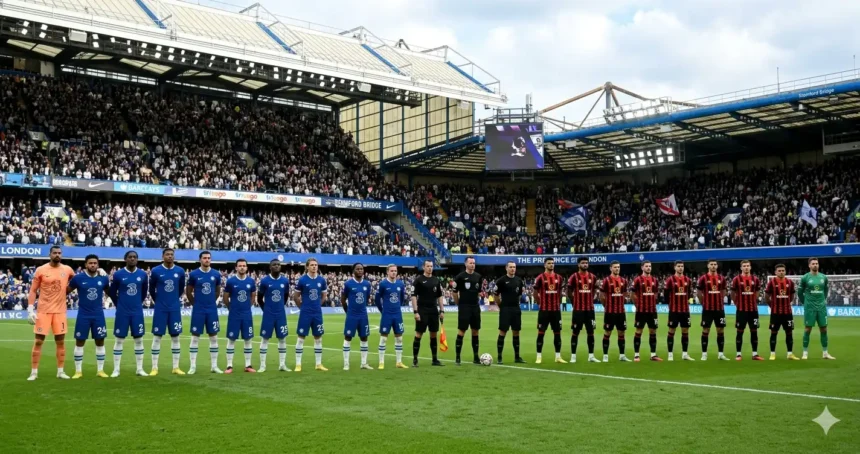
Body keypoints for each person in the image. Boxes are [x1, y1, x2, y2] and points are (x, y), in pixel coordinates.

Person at [27, 245, 75, 380]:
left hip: (60, 311)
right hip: (43, 311)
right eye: (55, 253)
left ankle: (60, 371)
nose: (57, 255)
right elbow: (33, 290)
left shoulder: (67, 270)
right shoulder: (41, 270)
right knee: (38, 341)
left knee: (60, 342)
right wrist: (30, 308)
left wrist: (99, 271)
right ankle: (34, 372)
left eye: (59, 253)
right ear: (50, 254)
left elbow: (79, 280)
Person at [67, 254, 111, 378]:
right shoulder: (78, 278)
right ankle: (78, 371)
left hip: (98, 315)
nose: (93, 265)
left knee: (100, 341)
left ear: (98, 265)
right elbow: (66, 291)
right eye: (90, 263)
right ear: (85, 265)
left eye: (95, 263)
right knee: (80, 341)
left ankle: (100, 370)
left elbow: (110, 292)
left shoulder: (103, 278)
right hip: (83, 315)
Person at [108, 251, 148, 377]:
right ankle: (116, 369)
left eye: (134, 257)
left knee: (139, 339)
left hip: (137, 311)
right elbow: (112, 292)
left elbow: (144, 292)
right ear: (125, 259)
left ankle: (140, 369)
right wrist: (119, 304)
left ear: (137, 259)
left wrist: (136, 303)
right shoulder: (118, 274)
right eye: (130, 257)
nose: (132, 259)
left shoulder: (142, 274)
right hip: (122, 312)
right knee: (119, 339)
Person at [148, 248, 186, 375]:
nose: (170, 256)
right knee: (157, 337)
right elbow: (151, 289)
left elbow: (181, 288)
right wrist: (158, 301)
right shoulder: (156, 271)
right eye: (167, 254)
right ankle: (154, 367)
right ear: (163, 256)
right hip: (160, 309)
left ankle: (176, 367)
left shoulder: (180, 271)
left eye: (171, 254)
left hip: (174, 308)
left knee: (175, 337)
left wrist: (174, 299)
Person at [186, 251, 223, 375]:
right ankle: (192, 366)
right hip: (198, 310)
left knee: (213, 337)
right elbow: (188, 292)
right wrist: (195, 304)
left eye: (208, 258)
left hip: (211, 310)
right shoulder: (194, 274)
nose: (207, 260)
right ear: (200, 260)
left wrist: (211, 302)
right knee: (195, 337)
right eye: (204, 258)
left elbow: (218, 291)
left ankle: (214, 366)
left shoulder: (216, 274)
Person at [294, 258, 329, 372]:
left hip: (317, 313)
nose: (314, 267)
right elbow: (296, 296)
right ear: (307, 267)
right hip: (305, 313)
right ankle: (298, 364)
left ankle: (318, 364)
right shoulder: (302, 280)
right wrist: (302, 308)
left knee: (318, 338)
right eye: (312, 265)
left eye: (316, 265)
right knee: (301, 338)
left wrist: (319, 304)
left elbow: (324, 295)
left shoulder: (321, 280)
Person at [224, 259, 257, 373]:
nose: (242, 267)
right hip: (234, 315)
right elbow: (225, 297)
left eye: (244, 266)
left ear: (247, 268)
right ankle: (229, 366)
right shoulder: (231, 281)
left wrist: (248, 307)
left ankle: (248, 365)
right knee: (231, 339)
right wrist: (231, 308)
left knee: (248, 339)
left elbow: (253, 296)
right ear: (236, 268)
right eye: (240, 266)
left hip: (246, 315)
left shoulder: (251, 281)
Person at [258, 259, 291, 372]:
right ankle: (262, 365)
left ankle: (282, 364)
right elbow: (259, 298)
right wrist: (266, 310)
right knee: (265, 339)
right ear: (270, 267)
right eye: (274, 265)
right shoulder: (265, 281)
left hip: (280, 314)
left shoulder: (285, 281)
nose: (277, 266)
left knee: (282, 339)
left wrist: (280, 307)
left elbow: (286, 296)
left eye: (278, 265)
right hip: (268, 315)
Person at [798, 258, 835, 360]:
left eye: (817, 263)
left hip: (821, 307)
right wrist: (805, 302)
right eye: (813, 264)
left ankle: (825, 353)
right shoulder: (805, 277)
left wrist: (823, 300)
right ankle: (805, 353)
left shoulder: (823, 277)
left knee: (824, 329)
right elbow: (800, 293)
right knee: (808, 329)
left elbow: (826, 290)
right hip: (810, 307)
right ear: (809, 265)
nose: (815, 265)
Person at [411, 259, 445, 367]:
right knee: (418, 334)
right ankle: (415, 360)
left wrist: (442, 310)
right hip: (422, 310)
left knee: (433, 334)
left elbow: (439, 296)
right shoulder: (418, 280)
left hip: (433, 310)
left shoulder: (436, 280)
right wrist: (416, 312)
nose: (430, 268)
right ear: (424, 267)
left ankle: (434, 359)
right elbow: (413, 296)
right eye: (428, 266)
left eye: (431, 266)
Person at [341, 263, 373, 371]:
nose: (360, 270)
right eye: (358, 269)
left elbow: (367, 297)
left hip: (363, 315)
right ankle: (346, 364)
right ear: (353, 271)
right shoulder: (348, 284)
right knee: (348, 337)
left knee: (364, 337)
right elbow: (343, 299)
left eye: (361, 269)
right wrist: (348, 312)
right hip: (352, 315)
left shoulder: (367, 284)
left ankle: (363, 363)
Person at [730, 260, 764, 361]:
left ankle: (755, 354)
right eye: (744, 266)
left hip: (753, 310)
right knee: (740, 332)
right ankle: (738, 354)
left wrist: (754, 300)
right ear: (741, 268)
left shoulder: (755, 279)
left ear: (750, 267)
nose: (746, 268)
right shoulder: (736, 279)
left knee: (754, 331)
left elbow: (757, 291)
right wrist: (736, 303)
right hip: (741, 310)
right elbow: (732, 292)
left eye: (747, 266)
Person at [567, 257, 599, 363]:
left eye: (586, 263)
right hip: (578, 310)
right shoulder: (574, 277)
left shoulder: (593, 277)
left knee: (591, 332)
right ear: (578, 265)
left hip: (590, 310)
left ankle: (591, 356)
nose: (585, 264)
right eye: (583, 263)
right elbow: (569, 291)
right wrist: (574, 302)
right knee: (575, 332)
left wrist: (592, 298)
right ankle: (573, 356)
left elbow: (595, 288)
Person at [376, 264, 407, 369]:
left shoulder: (400, 284)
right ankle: (381, 362)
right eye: (392, 271)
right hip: (387, 315)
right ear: (387, 272)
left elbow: (402, 298)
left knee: (399, 338)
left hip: (397, 314)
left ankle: (399, 362)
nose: (394, 272)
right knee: (383, 338)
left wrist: (397, 307)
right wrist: (382, 310)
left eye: (395, 270)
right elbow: (377, 299)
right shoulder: (383, 284)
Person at [534, 258, 564, 364]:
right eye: (549, 263)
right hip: (544, 311)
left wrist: (558, 302)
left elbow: (560, 292)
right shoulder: (540, 278)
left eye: (552, 263)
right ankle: (538, 356)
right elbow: (535, 292)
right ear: (544, 265)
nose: (551, 265)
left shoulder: (559, 278)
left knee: (557, 333)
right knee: (541, 333)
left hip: (556, 311)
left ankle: (558, 357)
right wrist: (540, 303)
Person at [494, 261, 526, 364]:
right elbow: (496, 295)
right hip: (505, 309)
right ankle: (499, 357)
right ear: (506, 268)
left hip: (516, 309)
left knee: (516, 332)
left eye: (514, 267)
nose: (513, 269)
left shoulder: (519, 280)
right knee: (503, 332)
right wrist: (501, 306)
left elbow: (520, 294)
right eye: (511, 267)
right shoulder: (501, 281)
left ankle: (517, 357)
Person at [697, 260, 729, 361]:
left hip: (719, 309)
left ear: (717, 266)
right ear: (708, 266)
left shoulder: (721, 278)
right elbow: (698, 292)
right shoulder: (703, 278)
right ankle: (704, 354)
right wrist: (704, 303)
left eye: (715, 264)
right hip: (707, 309)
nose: (713, 266)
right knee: (705, 330)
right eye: (711, 264)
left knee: (720, 330)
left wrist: (719, 300)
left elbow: (724, 291)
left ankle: (720, 354)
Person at [765, 264, 799, 360]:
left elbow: (791, 296)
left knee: (789, 332)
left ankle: (789, 354)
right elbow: (767, 297)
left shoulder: (790, 282)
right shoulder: (771, 282)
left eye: (783, 270)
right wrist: (772, 306)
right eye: (779, 270)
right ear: (775, 272)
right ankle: (772, 354)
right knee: (773, 333)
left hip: (787, 313)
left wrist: (786, 303)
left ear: (785, 271)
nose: (781, 272)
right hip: (775, 313)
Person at [453, 256, 482, 365]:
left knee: (475, 331)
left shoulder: (478, 277)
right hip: (464, 307)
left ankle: (476, 357)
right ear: (466, 264)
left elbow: (478, 292)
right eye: (470, 263)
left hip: (475, 307)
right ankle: (457, 357)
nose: (472, 265)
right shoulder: (460, 277)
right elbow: (454, 292)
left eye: (474, 263)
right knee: (462, 331)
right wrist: (458, 303)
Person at [599, 261, 630, 362]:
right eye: (615, 267)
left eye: (618, 267)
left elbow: (625, 294)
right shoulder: (606, 280)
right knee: (608, 332)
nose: (617, 269)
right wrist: (607, 306)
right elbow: (601, 296)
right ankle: (605, 356)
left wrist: (622, 303)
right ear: (610, 268)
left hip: (621, 312)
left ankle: (622, 355)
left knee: (622, 332)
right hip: (610, 312)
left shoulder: (623, 280)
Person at [631, 260, 662, 362]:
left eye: (650, 266)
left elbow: (656, 293)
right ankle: (636, 355)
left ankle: (653, 355)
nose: (648, 268)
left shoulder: (655, 280)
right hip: (641, 311)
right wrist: (638, 305)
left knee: (653, 331)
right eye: (646, 266)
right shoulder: (637, 280)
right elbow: (633, 294)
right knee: (639, 331)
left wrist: (653, 302)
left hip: (652, 310)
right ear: (642, 267)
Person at [664, 261, 694, 361]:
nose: (680, 268)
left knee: (685, 331)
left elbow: (689, 293)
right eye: (678, 266)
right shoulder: (670, 280)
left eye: (682, 266)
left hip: (685, 310)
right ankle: (670, 354)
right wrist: (670, 305)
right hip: (674, 310)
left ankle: (685, 354)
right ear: (674, 267)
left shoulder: (688, 280)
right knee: (671, 330)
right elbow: (665, 295)